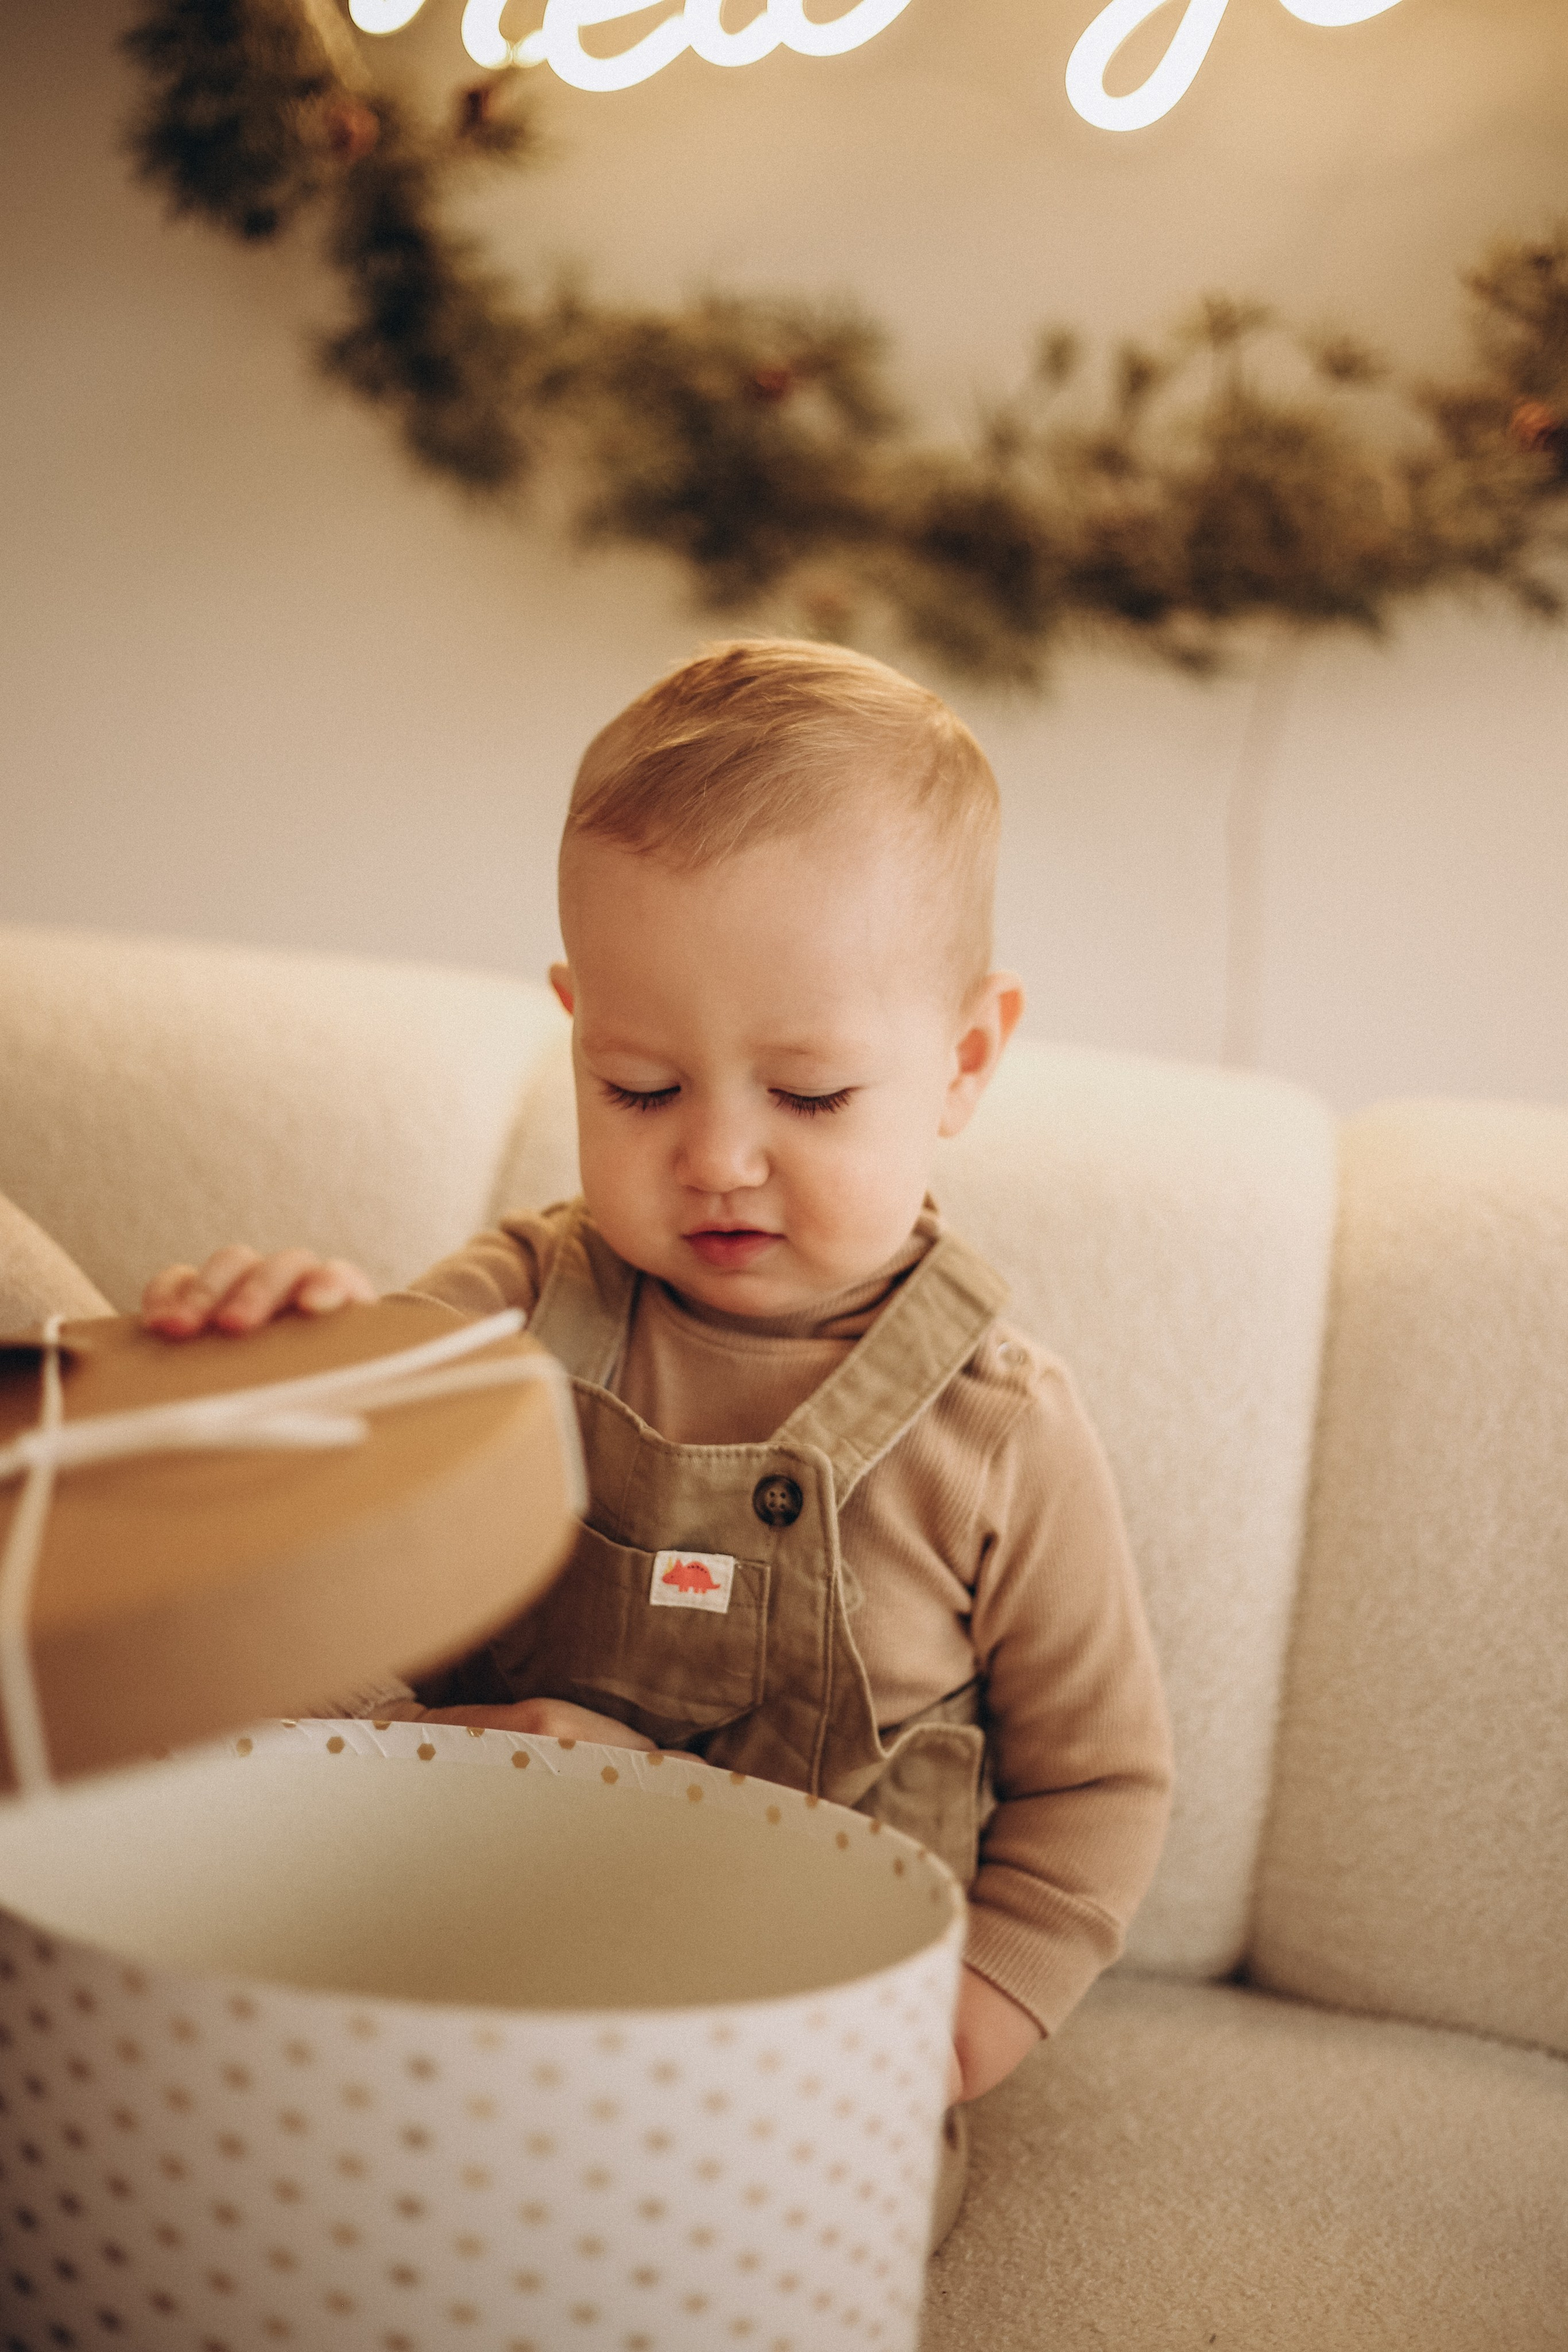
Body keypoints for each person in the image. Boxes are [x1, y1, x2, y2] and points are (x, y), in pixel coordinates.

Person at [142, 639, 1172, 2224]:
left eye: (811, 1097)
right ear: (574, 1027)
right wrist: (274, 1341)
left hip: (792, 2073)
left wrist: (962, 2030)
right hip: (459, 1987)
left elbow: (1102, 1787)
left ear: (964, 1061)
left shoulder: (1002, 1435)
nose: (719, 1160)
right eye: (637, 1086)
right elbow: (335, 1417)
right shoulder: (521, 1300)